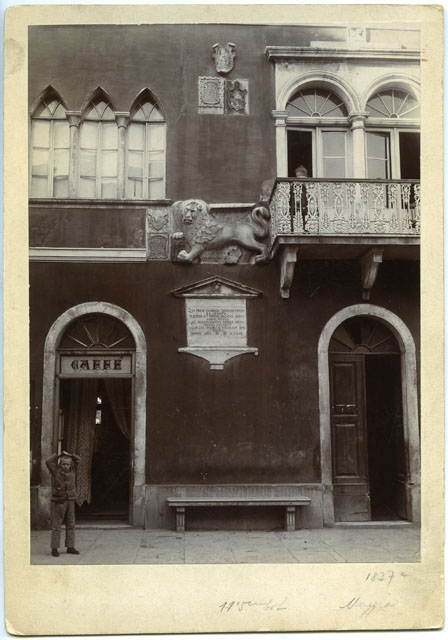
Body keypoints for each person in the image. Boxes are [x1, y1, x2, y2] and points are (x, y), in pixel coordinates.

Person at [46, 451, 81, 557]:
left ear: (71, 465)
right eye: (63, 464)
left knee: (71, 523)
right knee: (57, 525)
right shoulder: (55, 471)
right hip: (59, 501)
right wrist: (59, 455)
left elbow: (79, 460)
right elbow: (48, 461)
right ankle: (54, 548)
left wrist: (70, 455)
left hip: (70, 500)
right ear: (60, 464)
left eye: (67, 464)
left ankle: (70, 546)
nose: (65, 466)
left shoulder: (73, 470)